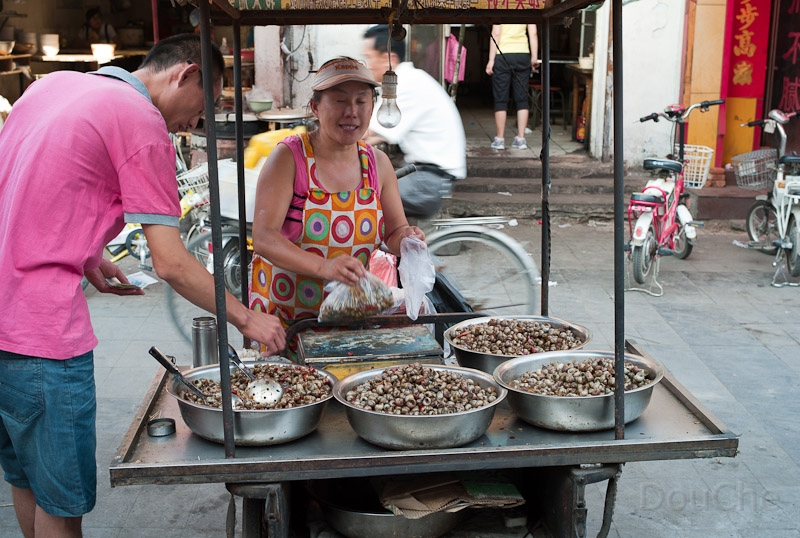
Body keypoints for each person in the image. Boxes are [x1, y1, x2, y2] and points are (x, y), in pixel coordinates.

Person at [0, 34, 285, 538]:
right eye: (205, 106)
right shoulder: (142, 121)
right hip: (41, 337)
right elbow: (171, 263)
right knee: (62, 504)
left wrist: (87, 253)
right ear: (185, 73)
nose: (197, 123)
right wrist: (247, 318)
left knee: (27, 479)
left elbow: (34, 187)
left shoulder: (52, 87)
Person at [249, 57, 425, 353]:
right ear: (316, 107)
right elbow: (264, 238)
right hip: (288, 323)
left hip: (351, 320)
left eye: (361, 101)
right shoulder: (290, 158)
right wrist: (324, 267)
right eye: (340, 101)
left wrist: (408, 238)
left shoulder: (377, 164)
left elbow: (394, 233)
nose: (351, 112)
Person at [362, 24, 467, 219]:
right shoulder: (408, 78)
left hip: (427, 180)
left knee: (362, 198)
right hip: (423, 173)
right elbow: (373, 135)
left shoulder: (404, 85)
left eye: (369, 58)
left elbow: (367, 132)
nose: (367, 66)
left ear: (389, 58)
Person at [485, 24, 539, 150]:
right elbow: (533, 33)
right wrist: (534, 57)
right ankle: (521, 138)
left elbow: (496, 33)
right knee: (522, 99)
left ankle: (500, 139)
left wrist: (491, 60)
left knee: (501, 99)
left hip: (502, 54)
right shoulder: (527, 11)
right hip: (522, 54)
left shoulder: (500, 10)